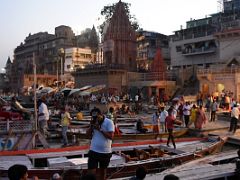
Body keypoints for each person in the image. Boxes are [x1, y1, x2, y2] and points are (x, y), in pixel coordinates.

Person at [86, 108, 115, 180]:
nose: (95, 118)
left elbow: (111, 137)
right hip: (93, 151)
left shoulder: (109, 122)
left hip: (105, 152)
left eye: (97, 117)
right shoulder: (93, 122)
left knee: (103, 172)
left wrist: (100, 129)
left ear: (101, 115)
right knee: (90, 174)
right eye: (93, 117)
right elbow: (88, 135)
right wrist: (91, 127)